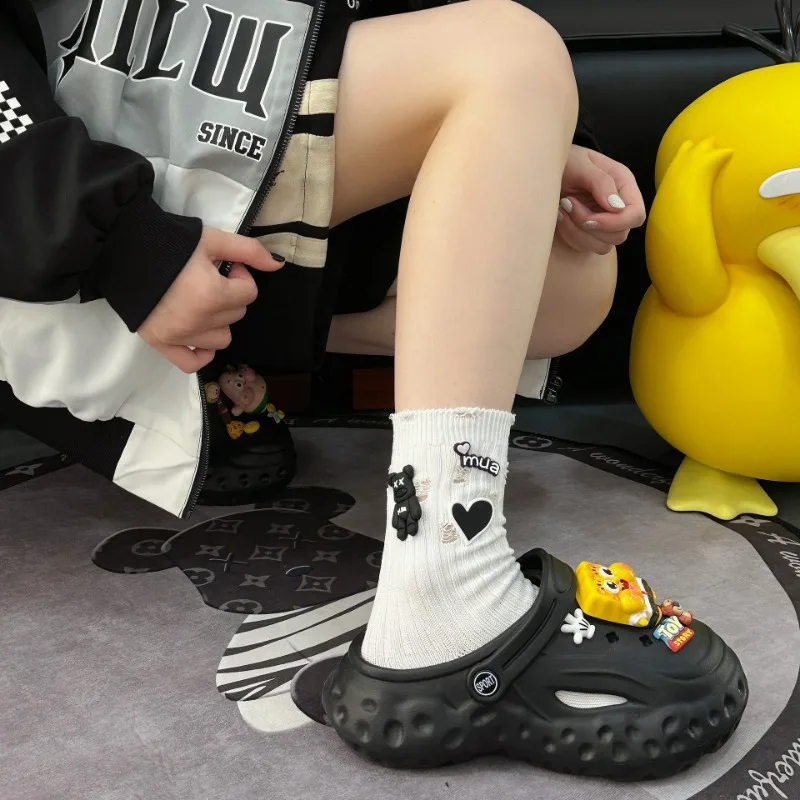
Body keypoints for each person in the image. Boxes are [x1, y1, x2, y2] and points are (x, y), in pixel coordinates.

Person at [0, 0, 746, 779]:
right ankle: (449, 591)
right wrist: (123, 243)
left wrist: (536, 141)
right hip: (53, 170)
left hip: (224, 110)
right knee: (512, 56)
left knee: (568, 284)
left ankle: (219, 357)